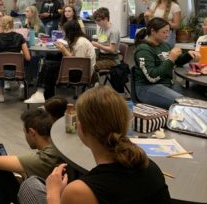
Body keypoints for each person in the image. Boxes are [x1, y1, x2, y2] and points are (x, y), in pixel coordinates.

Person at [18, 87, 171, 204]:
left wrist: (53, 193)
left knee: (29, 186)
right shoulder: (152, 168)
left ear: (81, 128)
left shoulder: (80, 191)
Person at [25, 20, 96, 104]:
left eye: (65, 32)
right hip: (78, 70)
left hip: (81, 74)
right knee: (48, 65)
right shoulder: (78, 41)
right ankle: (44, 96)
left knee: (49, 67)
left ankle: (42, 95)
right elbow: (73, 58)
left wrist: (63, 50)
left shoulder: (81, 43)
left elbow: (77, 63)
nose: (64, 35)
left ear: (70, 32)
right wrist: (64, 49)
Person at [133, 17, 198, 109]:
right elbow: (152, 77)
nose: (167, 35)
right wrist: (171, 59)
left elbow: (176, 61)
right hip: (148, 88)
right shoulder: (144, 49)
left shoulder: (164, 45)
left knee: (198, 100)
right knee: (186, 105)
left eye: (168, 31)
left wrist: (189, 55)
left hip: (167, 85)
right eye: (164, 32)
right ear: (153, 31)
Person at [0, 15, 31, 102]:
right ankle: (21, 84)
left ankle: (1, 93)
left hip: (1, 73)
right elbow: (28, 57)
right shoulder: (20, 37)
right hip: (18, 72)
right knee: (27, 61)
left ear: (1, 24)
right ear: (12, 24)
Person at [92, 7, 120, 71]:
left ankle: (96, 81)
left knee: (93, 66)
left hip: (112, 59)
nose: (97, 22)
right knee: (87, 62)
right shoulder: (101, 28)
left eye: (99, 20)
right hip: (102, 56)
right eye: (96, 20)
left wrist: (98, 45)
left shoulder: (113, 31)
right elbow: (100, 42)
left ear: (106, 19)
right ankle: (96, 81)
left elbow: (112, 49)